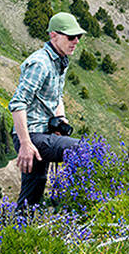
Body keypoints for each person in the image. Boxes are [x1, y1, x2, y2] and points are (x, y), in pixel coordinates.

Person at [8, 12, 87, 207]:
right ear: (53, 35)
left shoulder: (60, 60)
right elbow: (17, 104)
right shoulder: (40, 63)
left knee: (32, 192)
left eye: (78, 36)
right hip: (32, 135)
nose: (75, 41)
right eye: (70, 37)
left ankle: (20, 233)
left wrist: (61, 119)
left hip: (42, 133)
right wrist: (25, 144)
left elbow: (56, 96)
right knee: (82, 150)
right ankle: (78, 205)